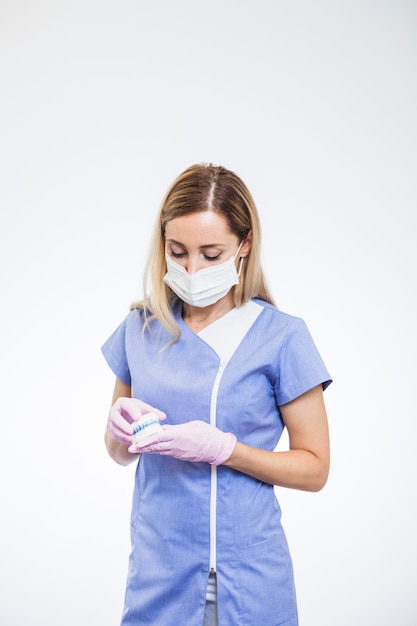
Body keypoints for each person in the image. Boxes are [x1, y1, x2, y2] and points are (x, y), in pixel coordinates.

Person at [102, 163, 332, 626]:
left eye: (211, 253)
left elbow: (315, 469)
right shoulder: (139, 329)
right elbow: (119, 453)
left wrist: (225, 450)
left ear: (244, 245)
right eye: (178, 251)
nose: (191, 269)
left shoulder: (282, 337)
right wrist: (118, 431)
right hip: (158, 570)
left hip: (249, 578)